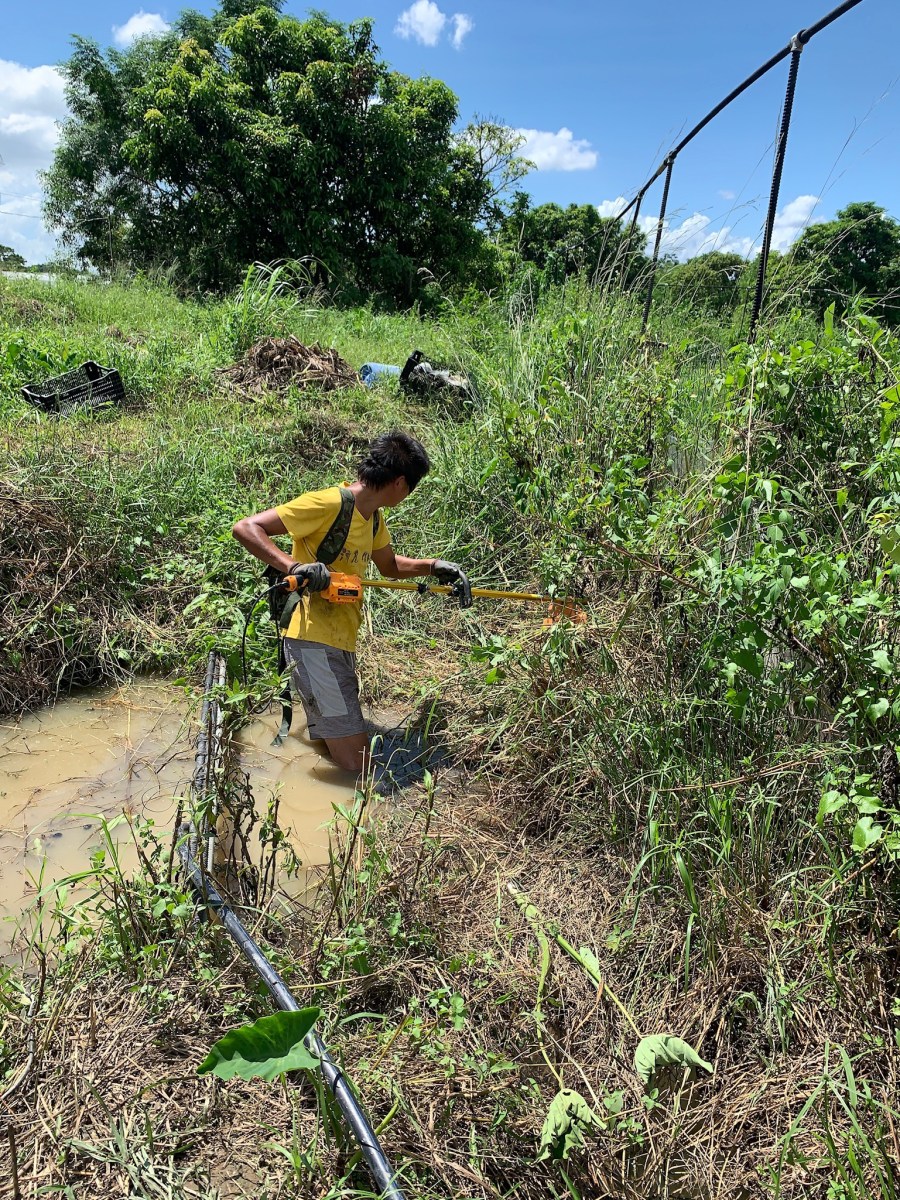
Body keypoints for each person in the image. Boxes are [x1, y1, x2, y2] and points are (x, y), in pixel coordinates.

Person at [232, 430, 471, 776]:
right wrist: (295, 567)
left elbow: (389, 566)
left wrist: (435, 567)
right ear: (401, 484)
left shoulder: (372, 517)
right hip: (314, 644)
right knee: (360, 769)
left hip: (339, 640)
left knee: (340, 742)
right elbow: (247, 528)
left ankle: (328, 737)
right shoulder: (328, 503)